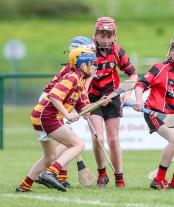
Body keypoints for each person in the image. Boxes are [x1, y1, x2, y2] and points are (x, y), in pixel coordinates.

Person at [16, 48, 111, 192]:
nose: (94, 67)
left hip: (41, 116)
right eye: (92, 63)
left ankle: (24, 186)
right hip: (46, 116)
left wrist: (99, 103)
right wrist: (67, 115)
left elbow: (84, 110)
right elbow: (54, 95)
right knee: (78, 144)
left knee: (50, 156)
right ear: (83, 64)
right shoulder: (72, 77)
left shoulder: (80, 81)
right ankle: (51, 172)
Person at [33, 36, 97, 189]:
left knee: (68, 143)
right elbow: (79, 90)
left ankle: (58, 177)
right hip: (52, 105)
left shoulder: (77, 67)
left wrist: (84, 108)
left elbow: (80, 94)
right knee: (69, 144)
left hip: (57, 103)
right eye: (90, 51)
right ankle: (49, 174)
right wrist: (90, 78)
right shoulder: (75, 70)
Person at [133, 35, 174, 190]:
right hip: (154, 113)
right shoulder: (160, 68)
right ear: (170, 51)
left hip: (172, 116)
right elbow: (140, 84)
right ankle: (158, 180)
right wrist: (139, 100)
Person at [88, 16, 138, 188]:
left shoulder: (117, 51)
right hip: (93, 98)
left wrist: (128, 92)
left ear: (114, 35)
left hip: (112, 97)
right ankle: (102, 173)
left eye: (109, 35)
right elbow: (80, 78)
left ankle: (119, 177)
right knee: (98, 138)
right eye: (102, 35)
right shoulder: (88, 52)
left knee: (113, 139)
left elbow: (133, 74)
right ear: (95, 34)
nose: (106, 39)